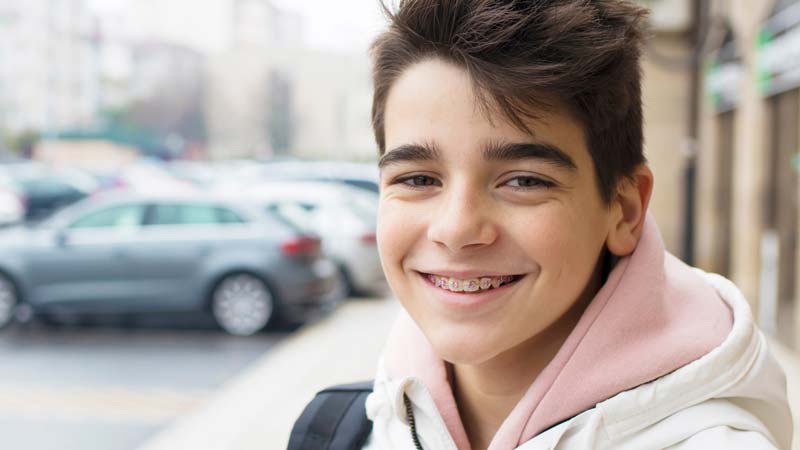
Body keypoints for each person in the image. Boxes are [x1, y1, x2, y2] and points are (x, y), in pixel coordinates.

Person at [291, 1, 793, 449]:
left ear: (624, 210)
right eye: (419, 178)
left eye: (524, 181)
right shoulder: (341, 430)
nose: (457, 228)